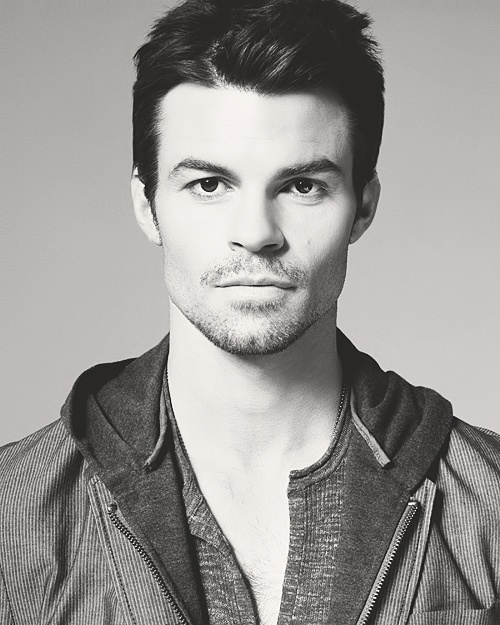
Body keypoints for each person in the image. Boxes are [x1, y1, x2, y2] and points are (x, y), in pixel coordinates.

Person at [1, 0, 498, 623]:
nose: (257, 232)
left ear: (363, 208)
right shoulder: (13, 518)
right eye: (209, 185)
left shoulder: (488, 506)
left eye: (302, 186)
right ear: (147, 205)